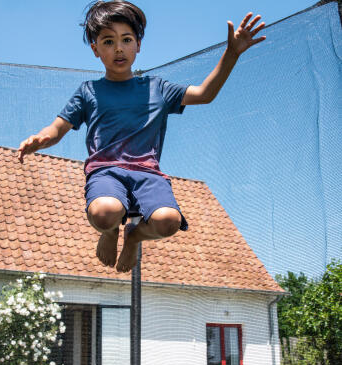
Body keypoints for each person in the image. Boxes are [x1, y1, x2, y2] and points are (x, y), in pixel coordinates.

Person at [17, 1, 266, 273]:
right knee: (104, 213)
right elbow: (58, 128)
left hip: (148, 174)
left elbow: (204, 94)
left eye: (126, 39)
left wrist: (231, 53)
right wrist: (40, 139)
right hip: (106, 172)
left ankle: (133, 236)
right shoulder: (89, 91)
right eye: (108, 41)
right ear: (96, 50)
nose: (119, 48)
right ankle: (111, 231)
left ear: (138, 45)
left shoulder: (157, 88)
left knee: (168, 221)